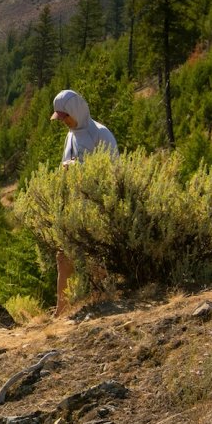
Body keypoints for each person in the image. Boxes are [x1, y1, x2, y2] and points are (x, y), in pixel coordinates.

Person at [50, 89, 118, 316]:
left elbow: (113, 172)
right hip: (74, 207)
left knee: (96, 258)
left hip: (97, 207)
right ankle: (62, 311)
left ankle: (102, 304)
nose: (64, 122)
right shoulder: (71, 134)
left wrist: (81, 170)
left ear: (76, 111)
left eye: (65, 117)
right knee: (63, 256)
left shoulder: (101, 133)